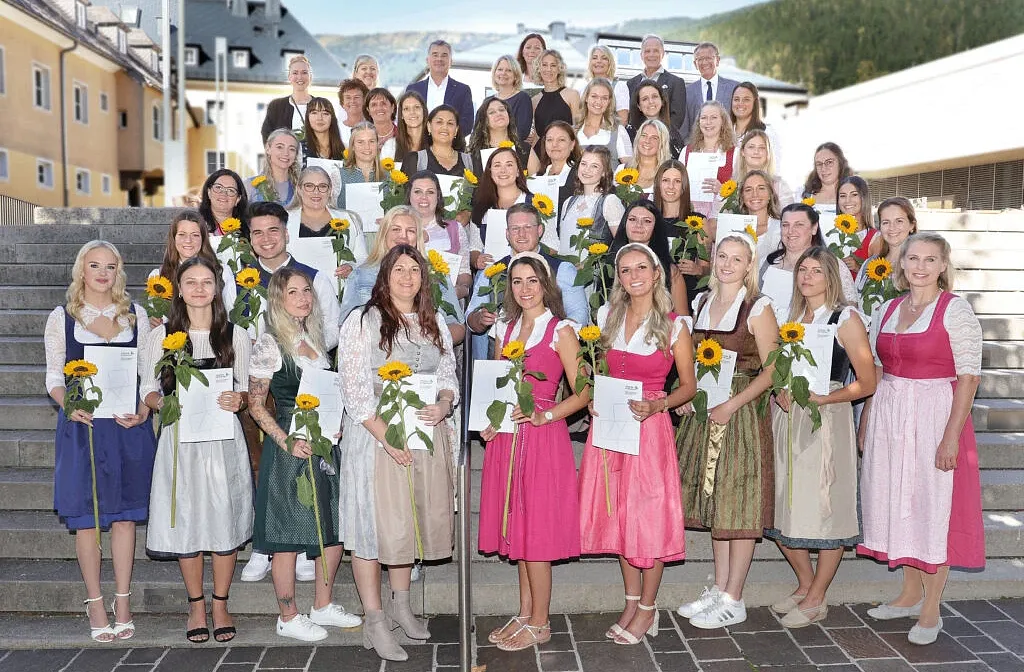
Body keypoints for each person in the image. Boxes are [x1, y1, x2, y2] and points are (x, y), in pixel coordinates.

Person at [858, 232, 984, 645]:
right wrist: (867, 420)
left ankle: (932, 608)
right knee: (899, 501)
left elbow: (968, 378)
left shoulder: (955, 311)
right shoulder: (888, 308)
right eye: (913, 258)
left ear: (943, 266)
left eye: (930, 260)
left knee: (932, 506)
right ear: (902, 263)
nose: (920, 267)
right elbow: (877, 369)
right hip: (891, 413)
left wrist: (950, 438)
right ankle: (910, 593)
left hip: (934, 414)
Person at [337, 244, 459, 662]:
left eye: (415, 270)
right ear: (384, 276)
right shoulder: (362, 321)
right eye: (399, 270)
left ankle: (400, 605)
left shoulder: (434, 321)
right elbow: (352, 386)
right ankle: (373, 618)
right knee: (373, 526)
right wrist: (384, 435)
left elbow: (447, 376)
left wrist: (443, 405)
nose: (407, 277)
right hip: (376, 437)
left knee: (406, 522)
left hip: (422, 434)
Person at [579, 242, 697, 645]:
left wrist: (659, 403)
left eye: (641, 268)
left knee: (647, 519)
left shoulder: (674, 324)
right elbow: (599, 373)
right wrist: (594, 399)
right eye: (626, 270)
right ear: (619, 276)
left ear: (656, 273)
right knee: (619, 516)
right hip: (611, 428)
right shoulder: (606, 317)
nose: (633, 276)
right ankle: (631, 601)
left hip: (649, 429)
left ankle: (648, 608)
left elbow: (689, 386)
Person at [45, 241, 157, 642]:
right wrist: (69, 404)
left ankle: (122, 601)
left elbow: (150, 376)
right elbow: (54, 377)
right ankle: (95, 601)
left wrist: (146, 409)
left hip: (128, 427)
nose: (103, 273)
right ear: (81, 270)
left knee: (125, 517)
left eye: (111, 266)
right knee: (89, 520)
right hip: (84, 427)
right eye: (95, 265)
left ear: (119, 272)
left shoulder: (137, 315)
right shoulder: (62, 317)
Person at [478, 254, 589, 651]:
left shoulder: (561, 330)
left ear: (546, 285)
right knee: (518, 528)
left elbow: (585, 392)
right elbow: (496, 386)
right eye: (518, 281)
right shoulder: (504, 329)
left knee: (536, 530)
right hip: (508, 436)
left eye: (533, 281)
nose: (525, 289)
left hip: (541, 438)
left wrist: (546, 414)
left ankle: (541, 621)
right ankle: (525, 613)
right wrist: (489, 421)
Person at [247, 269, 362, 641]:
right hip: (289, 447)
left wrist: (336, 424)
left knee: (331, 528)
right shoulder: (269, 343)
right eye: (292, 292)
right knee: (287, 532)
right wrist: (286, 441)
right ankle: (288, 615)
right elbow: (255, 405)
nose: (302, 297)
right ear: (278, 299)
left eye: (306, 290)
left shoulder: (317, 339)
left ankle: (323, 605)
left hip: (325, 444)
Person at [143, 256, 253, 643]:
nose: (200, 288)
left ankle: (220, 602)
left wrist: (238, 399)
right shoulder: (161, 335)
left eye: (207, 281)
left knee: (223, 516)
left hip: (222, 440)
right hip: (180, 441)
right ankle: (195, 605)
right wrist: (162, 403)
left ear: (217, 288)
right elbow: (148, 388)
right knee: (186, 518)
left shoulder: (235, 334)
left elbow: (245, 389)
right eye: (191, 281)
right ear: (178, 287)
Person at [765, 247, 876, 628]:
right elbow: (782, 369)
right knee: (782, 501)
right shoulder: (790, 318)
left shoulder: (845, 318)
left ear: (831, 276)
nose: (808, 276)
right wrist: (780, 389)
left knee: (827, 507)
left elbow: (868, 380)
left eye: (816, 270)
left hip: (826, 417)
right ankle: (806, 584)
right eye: (803, 270)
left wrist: (828, 398)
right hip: (787, 418)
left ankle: (816, 598)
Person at [675, 234, 778, 629]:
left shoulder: (758, 307)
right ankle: (719, 589)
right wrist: (688, 396)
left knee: (738, 499)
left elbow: (772, 369)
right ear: (713, 259)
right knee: (716, 502)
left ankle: (735, 597)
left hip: (740, 413)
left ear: (749, 265)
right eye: (723, 256)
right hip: (706, 409)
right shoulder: (702, 303)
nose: (728, 264)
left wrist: (732, 404)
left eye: (737, 259)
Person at [467, 203, 589, 360]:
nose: (521, 234)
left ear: (540, 230)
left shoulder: (563, 269)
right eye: (515, 228)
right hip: (502, 358)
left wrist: (549, 338)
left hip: (549, 358)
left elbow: (579, 316)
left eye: (528, 227)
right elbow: (471, 319)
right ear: (507, 234)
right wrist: (480, 319)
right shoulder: (491, 271)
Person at [338, 206, 465, 344]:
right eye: (396, 229)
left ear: (418, 237)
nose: (403, 236)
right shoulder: (360, 274)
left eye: (410, 231)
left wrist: (429, 342)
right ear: (384, 233)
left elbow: (457, 327)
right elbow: (345, 326)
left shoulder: (435, 276)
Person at [224, 203, 341, 352]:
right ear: (251, 239)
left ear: (286, 234)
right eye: (258, 232)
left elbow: (333, 327)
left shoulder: (316, 279)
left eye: (273, 231)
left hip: (306, 368)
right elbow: (228, 330)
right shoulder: (235, 284)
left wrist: (307, 348)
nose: (266, 239)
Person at [761, 204, 857, 323]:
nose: (790, 231)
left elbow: (849, 308)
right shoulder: (768, 263)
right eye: (785, 225)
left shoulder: (833, 264)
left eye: (799, 225)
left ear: (814, 228)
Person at [468, 147, 556, 270]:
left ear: (518, 171)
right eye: (497, 165)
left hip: (532, 273)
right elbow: (474, 247)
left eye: (509, 165)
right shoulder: (481, 208)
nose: (503, 170)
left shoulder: (539, 205)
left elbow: (553, 247)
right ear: (490, 172)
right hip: (492, 279)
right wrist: (477, 259)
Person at [286, 166, 368, 281]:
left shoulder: (349, 219)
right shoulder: (284, 220)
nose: (316, 192)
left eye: (322, 186)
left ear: (330, 191)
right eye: (309, 186)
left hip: (340, 294)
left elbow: (362, 258)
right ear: (299, 189)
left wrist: (351, 267)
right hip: (297, 293)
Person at [150, 210, 230, 327]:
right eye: (182, 234)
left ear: (203, 239)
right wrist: (153, 321)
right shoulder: (158, 275)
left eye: (195, 235)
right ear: (174, 238)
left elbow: (229, 314)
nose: (188, 240)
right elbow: (155, 316)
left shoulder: (222, 271)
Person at [609, 199, 689, 315]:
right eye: (632, 219)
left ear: (655, 228)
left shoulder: (671, 272)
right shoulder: (609, 266)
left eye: (646, 221)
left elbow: (683, 319)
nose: (638, 225)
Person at [406, 170, 472, 300]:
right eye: (418, 191)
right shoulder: (398, 229)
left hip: (446, 301)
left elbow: (464, 272)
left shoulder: (455, 229)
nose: (424, 197)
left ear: (438, 196)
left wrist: (461, 289)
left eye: (430, 192)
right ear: (409, 196)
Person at [856, 197, 919, 314]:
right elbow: (857, 302)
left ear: (911, 225)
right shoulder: (869, 264)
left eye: (899, 221)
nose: (892, 228)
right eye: (886, 222)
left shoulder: (920, 266)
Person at [558, 145, 625, 253]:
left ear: (604, 172)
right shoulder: (568, 202)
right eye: (583, 164)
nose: (587, 170)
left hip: (592, 269)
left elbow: (622, 245)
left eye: (594, 166)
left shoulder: (610, 201)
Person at [655, 159, 707, 297]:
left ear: (684, 186)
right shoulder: (649, 219)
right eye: (665, 180)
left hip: (687, 294)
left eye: (677, 181)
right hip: (655, 295)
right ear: (658, 184)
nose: (670, 186)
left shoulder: (699, 222)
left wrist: (698, 270)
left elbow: (707, 270)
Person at [406, 40, 474, 138]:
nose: (439, 59)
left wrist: (446, 139)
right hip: (419, 147)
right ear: (427, 60)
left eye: (444, 55)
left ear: (451, 61)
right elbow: (406, 120)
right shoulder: (413, 89)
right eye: (435, 55)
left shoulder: (463, 90)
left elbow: (467, 124)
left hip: (451, 148)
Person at [682, 102, 737, 215]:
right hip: (690, 217)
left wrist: (722, 191)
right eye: (704, 118)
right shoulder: (686, 151)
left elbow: (741, 194)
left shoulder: (734, 153)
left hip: (722, 218)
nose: (708, 122)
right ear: (699, 122)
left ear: (723, 121)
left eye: (714, 117)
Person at [625, 35, 688, 135]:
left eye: (656, 51)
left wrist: (658, 135)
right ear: (641, 55)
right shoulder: (631, 83)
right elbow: (629, 116)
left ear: (663, 54)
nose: (651, 55)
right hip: (636, 139)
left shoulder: (676, 82)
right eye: (647, 51)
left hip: (663, 140)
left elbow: (677, 118)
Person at [401, 105, 473, 177]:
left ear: (456, 130)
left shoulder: (470, 162)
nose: (445, 127)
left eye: (450, 123)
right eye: (439, 122)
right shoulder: (414, 160)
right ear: (429, 126)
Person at [685, 42, 739, 136]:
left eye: (709, 58)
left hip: (727, 146)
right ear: (695, 64)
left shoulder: (734, 88)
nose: (704, 62)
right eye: (700, 59)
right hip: (697, 147)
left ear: (717, 60)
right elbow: (685, 126)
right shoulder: (687, 91)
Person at [526, 120, 581, 212]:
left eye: (561, 140)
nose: (554, 145)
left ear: (572, 144)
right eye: (550, 140)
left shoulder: (581, 174)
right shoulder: (536, 177)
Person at [575, 78, 632, 165]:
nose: (598, 102)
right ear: (586, 97)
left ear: (609, 102)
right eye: (594, 96)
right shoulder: (573, 130)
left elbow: (629, 167)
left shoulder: (618, 130)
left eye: (604, 98)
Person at [261, 54, 315, 142]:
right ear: (289, 77)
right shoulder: (276, 106)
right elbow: (267, 136)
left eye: (304, 72)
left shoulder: (321, 105)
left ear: (310, 77)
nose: (300, 77)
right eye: (295, 73)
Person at [626, 80, 685, 158]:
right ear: (639, 106)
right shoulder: (629, 132)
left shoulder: (673, 132)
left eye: (654, 96)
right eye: (645, 99)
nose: (651, 101)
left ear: (662, 101)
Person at [735, 130, 795, 207]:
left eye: (762, 147)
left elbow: (789, 216)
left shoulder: (780, 186)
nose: (756, 151)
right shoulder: (731, 186)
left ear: (767, 153)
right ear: (743, 152)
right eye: (751, 147)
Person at [468, 96, 526, 175]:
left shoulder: (525, 150)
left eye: (502, 110)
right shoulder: (472, 154)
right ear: (484, 120)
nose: (499, 113)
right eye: (492, 112)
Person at [531, 50, 580, 142]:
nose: (548, 69)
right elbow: (536, 136)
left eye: (553, 65)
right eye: (544, 65)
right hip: (541, 152)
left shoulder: (572, 95)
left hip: (565, 151)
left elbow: (577, 128)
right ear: (539, 68)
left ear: (559, 69)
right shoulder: (534, 100)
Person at [738, 169, 782, 270]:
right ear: (742, 197)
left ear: (770, 195)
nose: (755, 194)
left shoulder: (781, 228)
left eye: (761, 188)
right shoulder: (733, 228)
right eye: (748, 190)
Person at [730, 82, 781, 168]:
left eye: (746, 99)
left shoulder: (767, 133)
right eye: (736, 99)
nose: (740, 103)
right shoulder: (723, 132)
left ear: (755, 103)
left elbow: (775, 168)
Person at [335, 122, 383, 210]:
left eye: (371, 141)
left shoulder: (389, 178)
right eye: (360, 142)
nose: (367, 147)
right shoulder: (339, 176)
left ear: (377, 144)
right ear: (353, 146)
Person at [578, 44, 630, 126]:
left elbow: (622, 120)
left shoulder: (619, 87)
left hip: (611, 135)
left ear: (610, 62)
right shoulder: (582, 87)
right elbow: (578, 117)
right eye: (594, 58)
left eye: (604, 58)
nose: (599, 61)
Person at [837, 176, 880, 272]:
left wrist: (858, 268)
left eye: (854, 194)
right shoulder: (833, 233)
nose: (847, 200)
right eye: (843, 196)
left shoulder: (875, 238)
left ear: (864, 198)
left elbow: (879, 280)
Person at [247, 129, 300, 207]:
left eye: (291, 149)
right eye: (280, 147)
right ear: (268, 149)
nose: (286, 153)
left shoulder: (301, 187)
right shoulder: (250, 186)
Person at [488, 55, 534, 144]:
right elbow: (479, 129)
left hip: (511, 152)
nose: (503, 73)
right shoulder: (487, 101)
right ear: (494, 73)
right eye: (500, 69)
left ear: (516, 75)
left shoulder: (522, 98)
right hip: (488, 151)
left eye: (509, 70)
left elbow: (522, 132)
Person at [624, 119, 674, 192]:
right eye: (644, 135)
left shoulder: (668, 175)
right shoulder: (622, 170)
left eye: (654, 138)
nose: (647, 141)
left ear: (662, 144)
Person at [198, 169, 249, 236]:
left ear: (238, 199)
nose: (223, 194)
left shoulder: (249, 229)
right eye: (218, 187)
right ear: (209, 192)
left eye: (230, 190)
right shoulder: (196, 224)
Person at [802, 142, 853, 207]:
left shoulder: (856, 193)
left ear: (840, 163)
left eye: (829, 162)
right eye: (819, 164)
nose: (823, 168)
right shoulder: (804, 194)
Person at [301, 97, 346, 162]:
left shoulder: (344, 149)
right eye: (314, 113)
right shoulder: (299, 149)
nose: (319, 118)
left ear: (332, 118)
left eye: (325, 113)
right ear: (308, 117)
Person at [365, 87, 398, 160]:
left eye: (383, 103)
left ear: (392, 107)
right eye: (374, 105)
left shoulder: (403, 136)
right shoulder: (362, 136)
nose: (379, 108)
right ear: (368, 110)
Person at [395, 91, 428, 159]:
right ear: (401, 115)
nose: (412, 112)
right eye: (406, 109)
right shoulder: (391, 146)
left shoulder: (437, 145)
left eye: (416, 107)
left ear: (424, 111)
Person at [337, 79, 369, 146]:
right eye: (348, 98)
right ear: (342, 103)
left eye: (356, 97)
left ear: (364, 101)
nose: (352, 101)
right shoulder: (335, 128)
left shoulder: (372, 127)